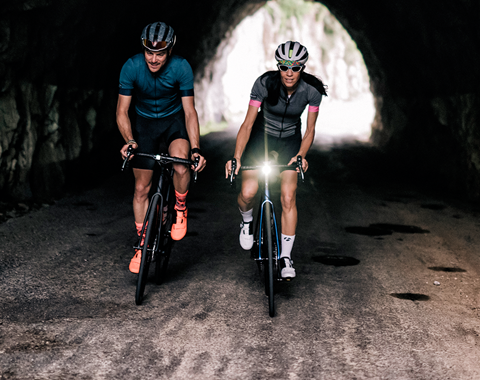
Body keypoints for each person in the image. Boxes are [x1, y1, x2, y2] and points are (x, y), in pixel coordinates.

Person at [225, 41, 327, 279]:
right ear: (278, 66)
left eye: (295, 67)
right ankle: (247, 221)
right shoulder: (264, 83)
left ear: (303, 67)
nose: (289, 73)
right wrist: (237, 157)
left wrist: (301, 155)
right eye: (284, 66)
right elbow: (248, 124)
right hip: (261, 137)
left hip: (290, 140)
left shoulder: (312, 91)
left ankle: (285, 257)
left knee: (288, 196)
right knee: (248, 191)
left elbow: (310, 130)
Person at [117, 22, 207, 273]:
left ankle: (179, 206)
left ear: (170, 51)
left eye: (160, 53)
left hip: (173, 123)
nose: (154, 59)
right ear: (143, 49)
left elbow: (189, 112)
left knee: (180, 164)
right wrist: (130, 140)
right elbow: (122, 112)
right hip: (143, 125)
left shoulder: (181, 67)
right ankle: (142, 243)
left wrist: (196, 149)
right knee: (141, 188)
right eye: (149, 52)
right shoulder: (131, 66)